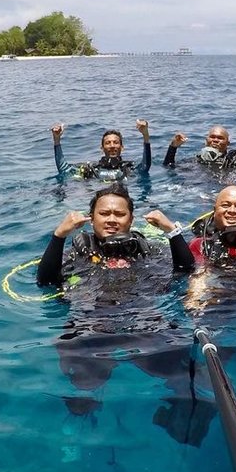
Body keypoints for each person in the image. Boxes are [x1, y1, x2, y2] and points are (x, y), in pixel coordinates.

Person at [36, 184, 214, 446]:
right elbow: (46, 282)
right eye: (104, 213)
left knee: (180, 366)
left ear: (131, 219)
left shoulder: (147, 249)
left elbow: (185, 270)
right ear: (91, 217)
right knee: (82, 379)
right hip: (92, 323)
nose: (111, 220)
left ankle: (184, 422)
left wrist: (172, 232)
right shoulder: (78, 251)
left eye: (119, 214)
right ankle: (79, 427)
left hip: (144, 321)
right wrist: (59, 235)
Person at [51, 120, 152, 181]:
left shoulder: (129, 169)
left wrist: (145, 135)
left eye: (116, 142)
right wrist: (57, 140)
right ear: (102, 148)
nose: (112, 146)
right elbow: (65, 170)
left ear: (122, 147)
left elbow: (145, 166)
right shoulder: (92, 170)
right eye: (108, 143)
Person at [163, 124, 236, 178]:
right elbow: (168, 167)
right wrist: (173, 147)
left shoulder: (233, 161)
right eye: (212, 137)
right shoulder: (196, 161)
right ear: (206, 141)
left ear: (228, 143)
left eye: (220, 138)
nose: (215, 140)